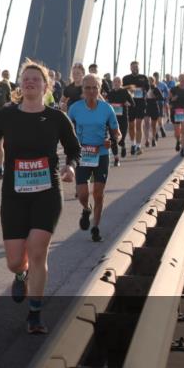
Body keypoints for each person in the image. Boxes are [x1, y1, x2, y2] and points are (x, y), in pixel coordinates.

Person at [0, 59, 80, 334]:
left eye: (36, 79)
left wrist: (70, 167)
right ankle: (20, 275)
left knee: (37, 251)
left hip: (47, 193)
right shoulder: (7, 115)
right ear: (19, 86)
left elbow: (74, 148)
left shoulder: (57, 117)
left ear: (46, 86)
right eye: (26, 78)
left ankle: (35, 314)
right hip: (14, 194)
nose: (30, 82)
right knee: (15, 260)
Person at [68, 74, 120, 242]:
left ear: (99, 89)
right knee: (82, 194)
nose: (91, 91)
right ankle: (86, 209)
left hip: (102, 155)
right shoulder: (75, 108)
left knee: (98, 193)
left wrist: (111, 141)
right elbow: (68, 132)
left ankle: (95, 227)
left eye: (94, 88)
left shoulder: (107, 109)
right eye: (87, 88)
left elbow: (117, 133)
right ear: (82, 90)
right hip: (83, 154)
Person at [122, 61, 150, 155]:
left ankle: (138, 146)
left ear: (139, 68)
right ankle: (133, 144)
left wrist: (142, 89)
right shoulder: (126, 78)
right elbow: (123, 89)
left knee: (139, 125)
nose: (135, 68)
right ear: (130, 68)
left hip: (140, 103)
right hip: (130, 104)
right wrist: (130, 88)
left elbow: (148, 89)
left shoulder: (143, 77)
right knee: (131, 126)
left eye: (136, 67)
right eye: (133, 67)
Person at [106, 76, 135, 166]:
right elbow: (105, 104)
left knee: (121, 136)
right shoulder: (110, 93)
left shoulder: (125, 92)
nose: (116, 83)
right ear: (113, 83)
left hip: (123, 118)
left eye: (118, 81)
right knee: (113, 139)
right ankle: (116, 159)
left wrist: (127, 103)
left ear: (121, 83)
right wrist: (108, 104)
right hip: (112, 119)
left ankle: (123, 146)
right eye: (115, 82)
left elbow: (133, 104)